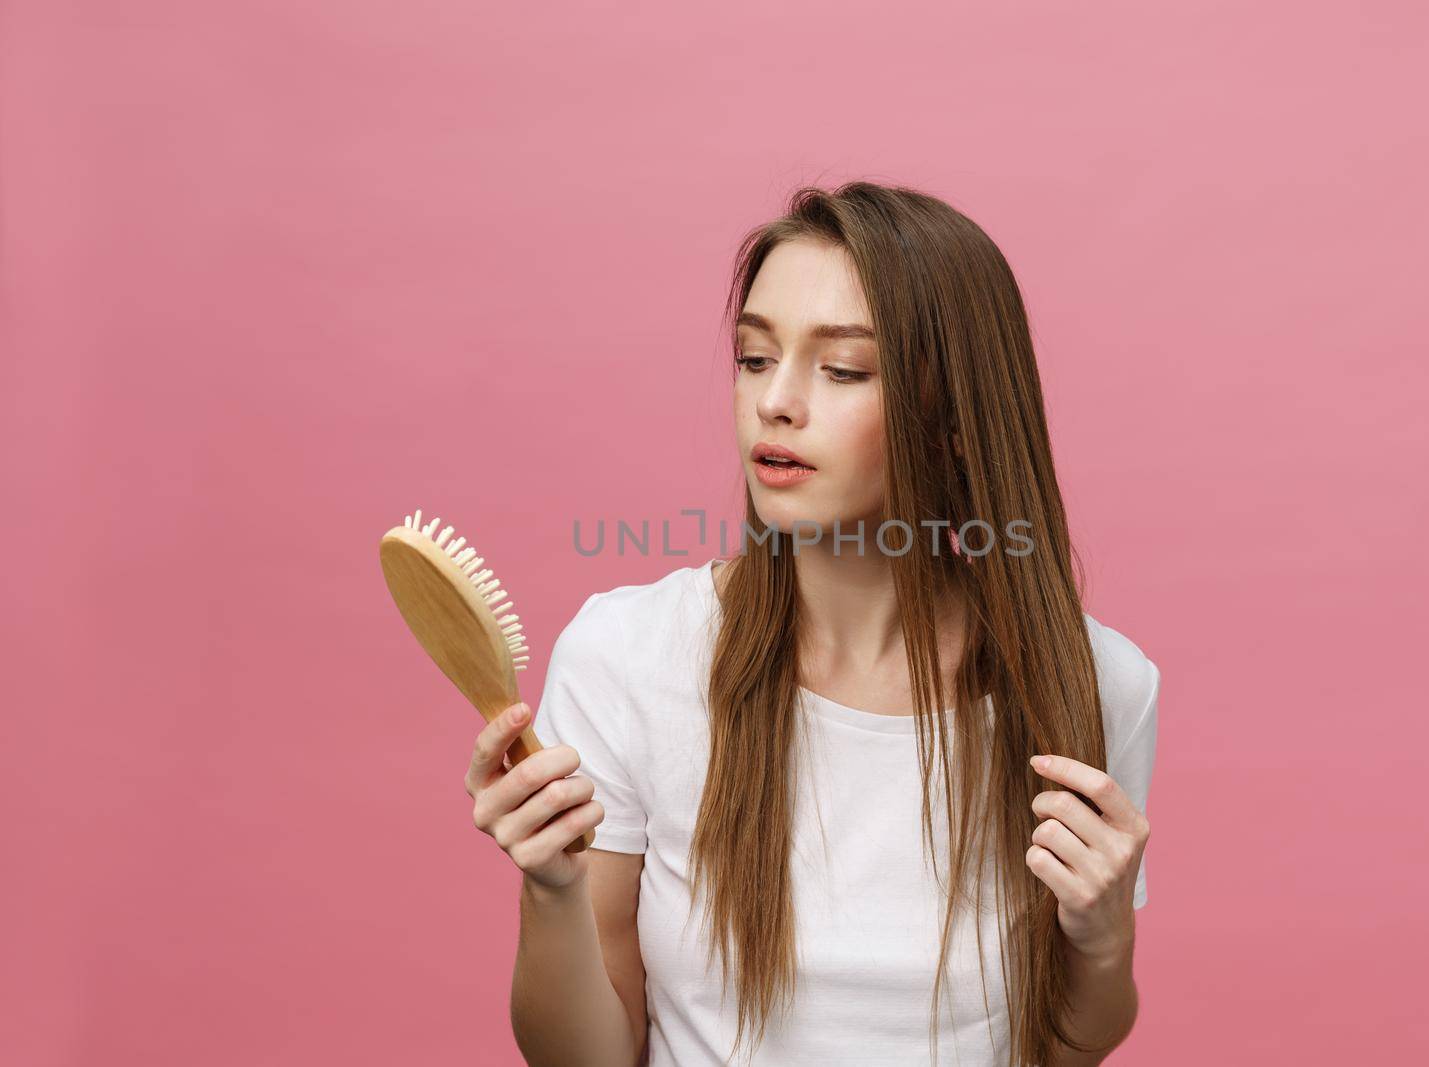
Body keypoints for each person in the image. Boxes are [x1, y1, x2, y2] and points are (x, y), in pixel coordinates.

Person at [463, 181, 1161, 1067]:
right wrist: (551, 891)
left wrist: (1101, 941)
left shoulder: (1095, 682)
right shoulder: (627, 656)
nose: (776, 402)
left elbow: (1065, 1048)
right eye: (755, 358)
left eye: (841, 369)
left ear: (953, 419)